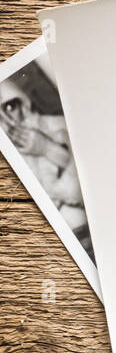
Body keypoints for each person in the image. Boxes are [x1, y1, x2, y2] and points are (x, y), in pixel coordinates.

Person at [0, 61, 94, 260]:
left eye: (9, 107)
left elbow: (93, 188)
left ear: (20, 102)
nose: (8, 124)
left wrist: (47, 148)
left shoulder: (60, 125)